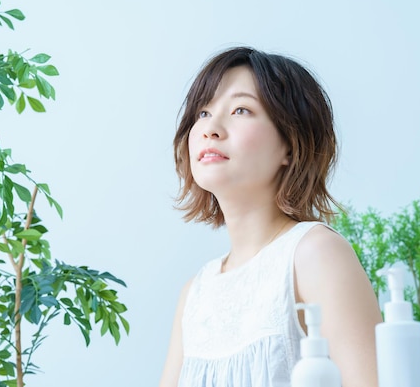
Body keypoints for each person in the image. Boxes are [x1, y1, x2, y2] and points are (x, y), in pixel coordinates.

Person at [159, 46, 382, 387]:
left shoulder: (314, 254)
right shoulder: (195, 294)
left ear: (290, 146)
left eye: (240, 109)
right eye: (202, 113)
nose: (211, 128)